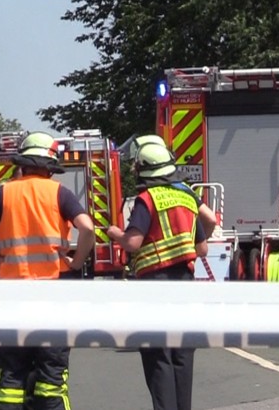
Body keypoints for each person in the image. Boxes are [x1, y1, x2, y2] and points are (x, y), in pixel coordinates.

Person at [0, 131, 95, 410]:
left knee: (11, 376)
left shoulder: (4, 192)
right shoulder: (59, 193)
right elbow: (88, 228)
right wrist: (76, 260)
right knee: (51, 379)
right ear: (49, 167)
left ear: (22, 163)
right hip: (53, 294)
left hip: (14, 294)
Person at [107, 141, 209, 410]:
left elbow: (133, 243)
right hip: (184, 283)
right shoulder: (186, 197)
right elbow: (202, 247)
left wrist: (115, 233)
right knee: (182, 352)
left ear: (144, 170)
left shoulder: (147, 199)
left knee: (157, 353)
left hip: (154, 284)